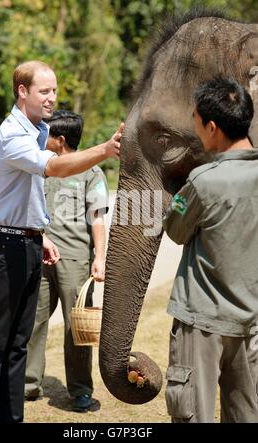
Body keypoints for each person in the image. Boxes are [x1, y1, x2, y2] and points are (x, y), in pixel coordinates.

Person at [0, 60, 123, 423]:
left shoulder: (37, 132)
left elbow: (30, 196)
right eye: (44, 91)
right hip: (5, 246)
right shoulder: (12, 135)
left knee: (18, 342)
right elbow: (52, 168)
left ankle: (10, 417)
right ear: (22, 92)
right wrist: (104, 149)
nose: (53, 98)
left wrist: (40, 233)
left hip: (29, 243)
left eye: (54, 90)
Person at [162, 77, 258, 423]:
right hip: (251, 322)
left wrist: (176, 198)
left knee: (193, 413)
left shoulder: (202, 182)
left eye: (197, 122)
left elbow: (175, 228)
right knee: (247, 413)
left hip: (201, 321)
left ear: (213, 127)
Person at [25, 110, 109, 412]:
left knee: (78, 329)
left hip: (75, 261)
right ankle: (28, 383)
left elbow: (97, 218)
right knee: (33, 321)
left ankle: (80, 389)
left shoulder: (91, 173)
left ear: (60, 140)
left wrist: (99, 258)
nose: (42, 138)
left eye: (47, 134)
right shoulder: (40, 167)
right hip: (40, 255)